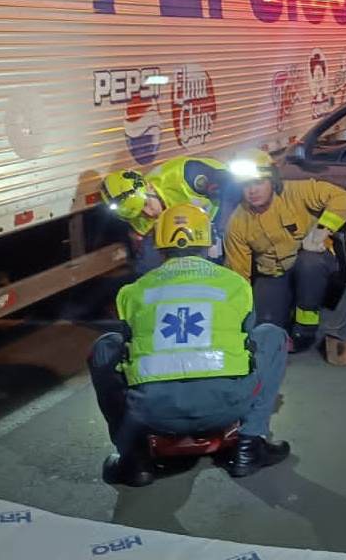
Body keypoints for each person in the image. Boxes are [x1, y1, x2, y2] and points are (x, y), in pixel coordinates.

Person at [89, 203, 291, 487]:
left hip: (152, 413)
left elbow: (129, 345)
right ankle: (249, 448)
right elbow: (247, 338)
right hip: (229, 404)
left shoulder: (133, 292)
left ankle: (134, 460)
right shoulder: (234, 284)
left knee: (105, 346)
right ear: (209, 243)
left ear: (159, 248)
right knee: (271, 335)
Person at [224, 150, 346, 352]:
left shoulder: (297, 192)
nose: (252, 191)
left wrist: (321, 231)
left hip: (311, 263)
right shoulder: (237, 223)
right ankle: (281, 320)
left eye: (259, 182)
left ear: (273, 181)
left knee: (309, 264)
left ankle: (305, 330)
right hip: (274, 274)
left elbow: (343, 199)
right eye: (246, 185)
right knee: (264, 331)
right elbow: (238, 276)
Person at [100, 157, 234, 274]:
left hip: (218, 208)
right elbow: (143, 244)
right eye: (141, 212)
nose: (148, 213)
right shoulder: (135, 209)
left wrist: (218, 231)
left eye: (146, 204)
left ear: (150, 188)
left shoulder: (189, 177)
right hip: (187, 225)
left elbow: (231, 190)